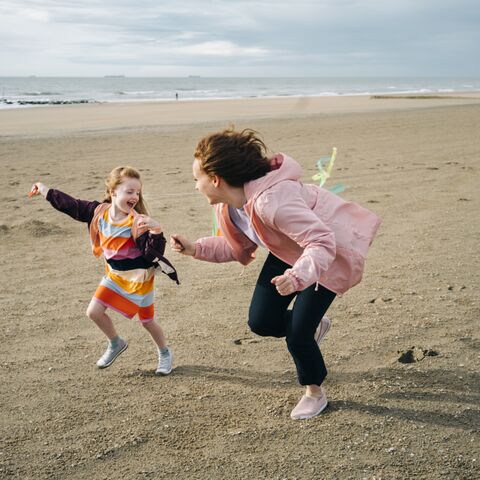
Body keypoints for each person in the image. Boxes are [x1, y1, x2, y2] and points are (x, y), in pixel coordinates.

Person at [170, 128, 381, 420]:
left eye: (197, 179)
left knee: (298, 335)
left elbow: (322, 242)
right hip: (288, 250)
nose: (195, 186)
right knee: (261, 321)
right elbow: (237, 246)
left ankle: (314, 392)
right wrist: (195, 248)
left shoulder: (273, 203)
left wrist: (296, 278)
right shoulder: (230, 207)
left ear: (216, 180)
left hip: (326, 256)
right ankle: (313, 327)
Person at [30, 166, 179, 375]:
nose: (135, 196)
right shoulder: (98, 212)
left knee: (147, 321)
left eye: (137, 192)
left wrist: (156, 230)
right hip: (114, 276)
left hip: (140, 280)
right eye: (129, 191)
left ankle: (164, 353)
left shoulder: (138, 221)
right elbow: (71, 205)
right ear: (113, 192)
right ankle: (116, 343)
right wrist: (45, 190)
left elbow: (152, 253)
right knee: (93, 312)